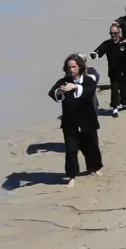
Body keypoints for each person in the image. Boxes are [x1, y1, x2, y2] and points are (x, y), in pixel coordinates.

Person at [48, 54, 103, 186]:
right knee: (71, 149)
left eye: (74, 67)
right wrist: (60, 92)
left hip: (87, 121)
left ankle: (94, 169)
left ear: (80, 67)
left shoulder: (88, 80)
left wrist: (76, 87)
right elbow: (52, 93)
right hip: (70, 122)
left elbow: (90, 92)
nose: (71, 69)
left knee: (92, 147)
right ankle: (72, 176)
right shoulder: (63, 81)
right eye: (69, 67)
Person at [90, 23, 126, 117]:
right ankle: (115, 108)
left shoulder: (125, 41)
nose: (113, 35)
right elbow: (98, 52)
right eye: (111, 33)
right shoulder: (107, 43)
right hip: (113, 71)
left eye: (115, 33)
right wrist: (94, 55)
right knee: (114, 90)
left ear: (119, 32)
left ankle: (124, 103)